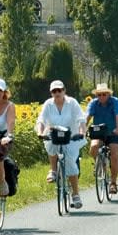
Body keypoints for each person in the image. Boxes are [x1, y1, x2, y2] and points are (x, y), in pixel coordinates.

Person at [35, 79, 86, 208]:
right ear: (51, 93)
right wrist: (40, 132)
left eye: (59, 90)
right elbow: (41, 120)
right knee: (51, 144)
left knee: (70, 162)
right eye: (54, 91)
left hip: (71, 136)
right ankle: (53, 170)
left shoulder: (72, 103)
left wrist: (81, 133)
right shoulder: (48, 104)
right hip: (54, 134)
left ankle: (75, 194)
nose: (57, 93)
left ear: (64, 91)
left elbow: (81, 120)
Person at [85, 83, 118, 194]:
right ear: (97, 95)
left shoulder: (114, 101)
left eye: (104, 94)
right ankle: (98, 164)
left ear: (108, 94)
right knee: (93, 147)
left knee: (114, 154)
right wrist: (82, 130)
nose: (102, 97)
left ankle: (113, 183)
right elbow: (87, 116)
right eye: (99, 95)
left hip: (112, 131)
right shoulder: (94, 103)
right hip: (98, 132)